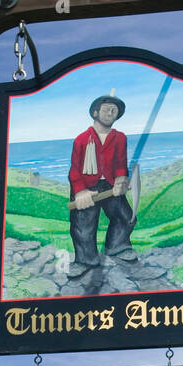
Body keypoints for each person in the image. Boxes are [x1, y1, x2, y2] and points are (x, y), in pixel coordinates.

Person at [66, 95, 136, 277]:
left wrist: (121, 179)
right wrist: (80, 191)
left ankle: (117, 247)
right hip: (86, 186)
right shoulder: (82, 139)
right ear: (95, 113)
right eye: (106, 109)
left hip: (111, 185)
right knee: (83, 224)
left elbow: (121, 163)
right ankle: (85, 260)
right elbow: (74, 170)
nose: (110, 113)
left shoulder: (120, 138)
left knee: (126, 216)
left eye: (114, 110)